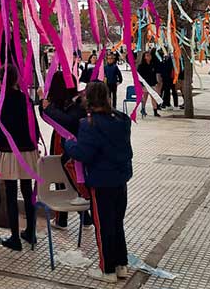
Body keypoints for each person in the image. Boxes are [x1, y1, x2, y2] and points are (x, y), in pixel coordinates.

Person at [64, 81, 133, 284]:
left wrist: (69, 144)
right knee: (116, 222)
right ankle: (121, 264)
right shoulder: (122, 119)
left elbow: (84, 153)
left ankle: (107, 270)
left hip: (101, 182)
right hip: (120, 179)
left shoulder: (89, 125)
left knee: (103, 225)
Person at [0, 65, 40, 251]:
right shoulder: (25, 98)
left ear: (1, 79)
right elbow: (33, 124)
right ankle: (31, 232)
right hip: (27, 149)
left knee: (10, 193)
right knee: (28, 192)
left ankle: (15, 238)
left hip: (8, 151)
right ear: (16, 79)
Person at [42, 72, 92, 230]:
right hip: (61, 140)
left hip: (67, 142)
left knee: (65, 177)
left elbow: (67, 121)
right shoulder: (64, 102)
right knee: (63, 178)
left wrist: (48, 108)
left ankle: (76, 217)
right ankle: (65, 218)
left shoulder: (76, 104)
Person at [137, 51, 160, 117]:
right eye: (147, 55)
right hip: (145, 85)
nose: (149, 57)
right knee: (145, 98)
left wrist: (156, 82)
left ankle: (155, 111)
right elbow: (138, 76)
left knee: (154, 98)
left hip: (152, 84)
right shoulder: (141, 66)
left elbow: (154, 74)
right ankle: (143, 109)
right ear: (144, 57)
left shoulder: (153, 64)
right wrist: (141, 84)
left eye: (149, 55)